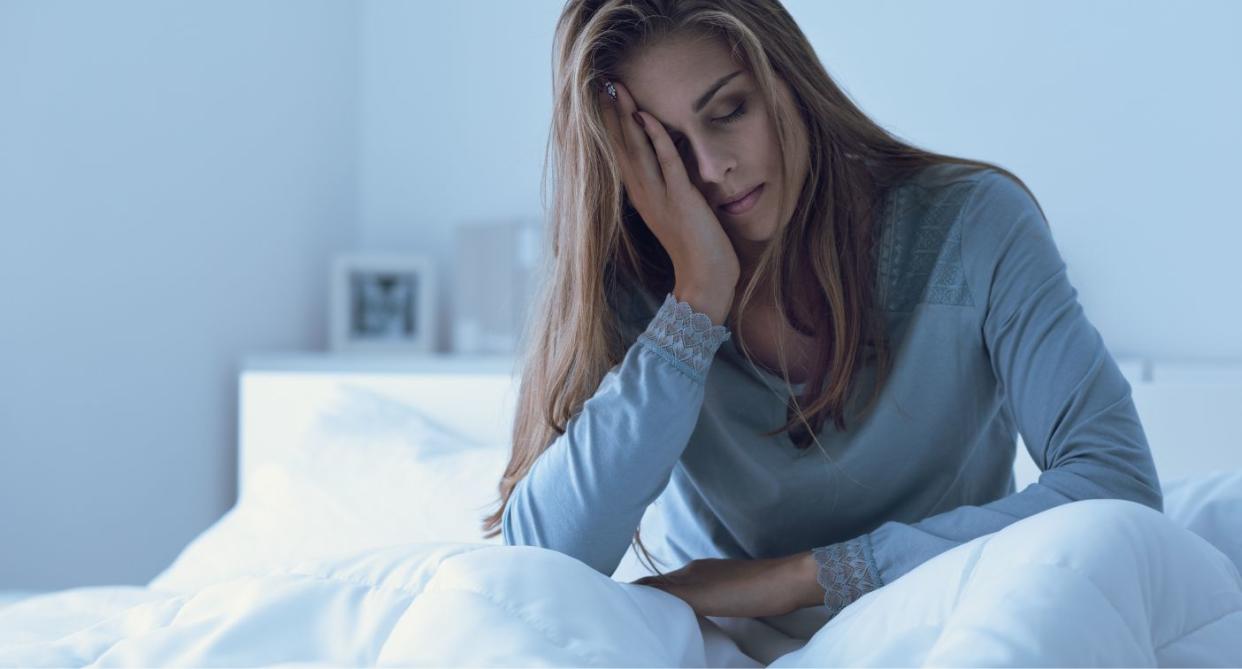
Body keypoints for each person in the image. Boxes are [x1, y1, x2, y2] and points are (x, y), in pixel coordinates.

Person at [480, 0, 1162, 642]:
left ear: (789, 80)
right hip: (723, 645)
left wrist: (803, 576)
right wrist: (696, 302)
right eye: (666, 153)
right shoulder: (642, 290)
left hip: (948, 624)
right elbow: (538, 563)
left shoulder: (973, 226)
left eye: (729, 111)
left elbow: (1118, 486)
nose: (713, 170)